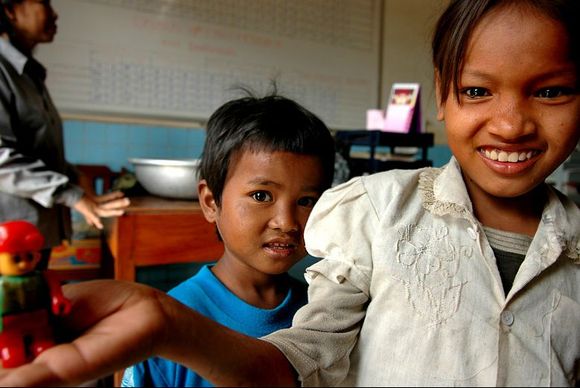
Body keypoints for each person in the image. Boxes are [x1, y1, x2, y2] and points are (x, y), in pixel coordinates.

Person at [0, 0, 578, 386]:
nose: (510, 124)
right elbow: (301, 361)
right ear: (442, 95)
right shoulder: (380, 216)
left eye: (550, 91)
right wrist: (167, 323)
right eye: (478, 90)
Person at [121, 92, 336, 387]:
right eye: (261, 196)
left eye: (306, 200)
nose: (286, 222)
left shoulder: (325, 316)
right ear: (211, 202)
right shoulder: (169, 328)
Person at [0, 0, 129, 270]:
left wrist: (74, 176)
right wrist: (74, 196)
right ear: (10, 11)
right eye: (44, 2)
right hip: (9, 242)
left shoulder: (28, 75)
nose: (55, 12)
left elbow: (34, 148)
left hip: (33, 235)